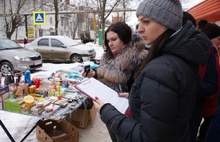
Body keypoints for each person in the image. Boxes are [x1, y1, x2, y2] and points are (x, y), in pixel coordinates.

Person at [92, 0, 210, 141]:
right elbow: (167, 110)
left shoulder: (162, 69)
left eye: (146, 22)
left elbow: (148, 138)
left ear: (167, 22)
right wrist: (136, 97)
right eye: (139, 22)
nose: (139, 29)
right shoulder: (175, 59)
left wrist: (107, 112)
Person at [83, 21, 148, 142]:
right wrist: (94, 74)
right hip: (108, 109)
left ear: (125, 38)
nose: (110, 44)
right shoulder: (107, 56)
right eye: (108, 40)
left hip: (128, 115)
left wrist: (130, 96)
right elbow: (105, 75)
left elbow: (144, 90)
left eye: (114, 39)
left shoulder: (138, 57)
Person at [181, 13, 219, 142]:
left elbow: (212, 85)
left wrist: (185, 89)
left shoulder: (207, 49)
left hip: (192, 112)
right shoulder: (158, 48)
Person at [198, 23, 220, 142]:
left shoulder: (212, 51)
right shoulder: (207, 51)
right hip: (209, 101)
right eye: (218, 39)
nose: (219, 42)